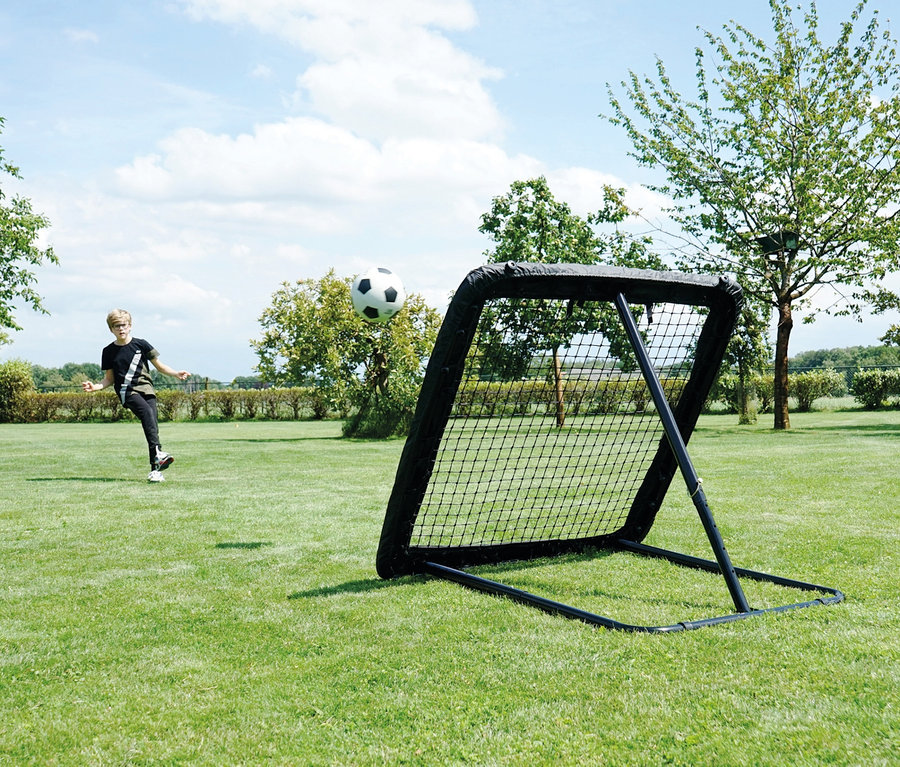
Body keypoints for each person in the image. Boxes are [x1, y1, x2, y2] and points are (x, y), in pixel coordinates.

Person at [82, 309, 190, 483]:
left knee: (152, 426)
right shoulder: (108, 351)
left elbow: (160, 367)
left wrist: (176, 373)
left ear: (130, 326)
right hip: (127, 391)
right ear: (111, 329)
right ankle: (158, 455)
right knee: (147, 414)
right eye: (116, 326)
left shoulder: (142, 345)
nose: (121, 329)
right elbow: (109, 379)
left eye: (123, 325)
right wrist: (95, 387)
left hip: (147, 389)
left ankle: (155, 471)